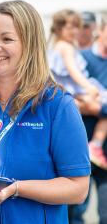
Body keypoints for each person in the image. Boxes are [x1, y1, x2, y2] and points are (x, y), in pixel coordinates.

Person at [0, 0, 90, 224]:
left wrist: (16, 189)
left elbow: (78, 188)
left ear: (30, 44)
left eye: (6, 39)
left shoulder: (58, 106)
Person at [48, 9, 107, 169]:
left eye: (77, 26)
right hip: (74, 91)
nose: (75, 31)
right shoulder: (65, 47)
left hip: (72, 92)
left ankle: (95, 144)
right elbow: (73, 71)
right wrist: (88, 87)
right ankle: (96, 144)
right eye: (71, 27)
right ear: (60, 28)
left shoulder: (60, 46)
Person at [77, 16, 107, 223]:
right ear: (102, 30)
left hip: (105, 154)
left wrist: (96, 107)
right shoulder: (80, 59)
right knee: (76, 213)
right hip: (79, 149)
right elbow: (70, 99)